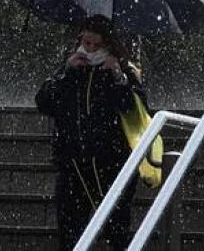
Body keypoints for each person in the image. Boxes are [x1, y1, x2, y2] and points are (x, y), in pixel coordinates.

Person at [35, 15, 145, 250]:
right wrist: (67, 72)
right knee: (70, 229)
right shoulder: (71, 68)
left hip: (112, 163)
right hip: (72, 162)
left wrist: (119, 77)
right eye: (87, 43)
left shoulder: (123, 70)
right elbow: (44, 102)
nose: (91, 49)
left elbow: (136, 109)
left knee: (117, 227)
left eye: (97, 45)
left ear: (108, 44)